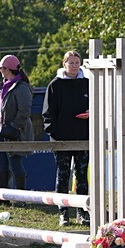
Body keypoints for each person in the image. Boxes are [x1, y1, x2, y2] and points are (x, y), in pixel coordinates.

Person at [43, 51, 90, 226]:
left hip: (84, 138)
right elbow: (47, 114)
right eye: (70, 62)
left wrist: (91, 114)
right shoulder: (55, 85)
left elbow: (98, 105)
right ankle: (63, 212)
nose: (74, 65)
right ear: (64, 64)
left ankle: (83, 212)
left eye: (77, 62)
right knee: (62, 176)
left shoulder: (87, 83)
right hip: (61, 139)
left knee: (82, 176)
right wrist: (55, 133)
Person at [0, 55, 34, 190]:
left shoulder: (22, 87)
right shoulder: (4, 86)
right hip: (0, 132)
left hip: (14, 133)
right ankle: (3, 197)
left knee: (15, 165)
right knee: (2, 166)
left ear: (7, 69)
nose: (0, 71)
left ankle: (21, 196)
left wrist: (12, 128)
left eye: (1, 68)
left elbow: (24, 112)